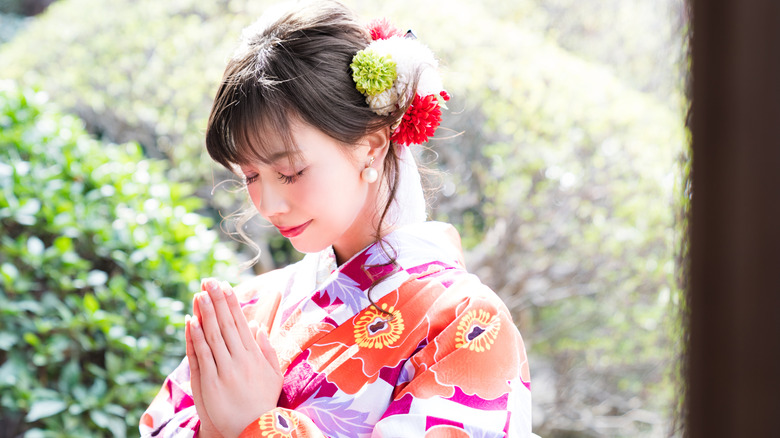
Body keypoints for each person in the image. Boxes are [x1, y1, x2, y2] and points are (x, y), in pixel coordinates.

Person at [139, 1, 532, 436]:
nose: (267, 204)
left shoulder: (467, 322)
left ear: (372, 146)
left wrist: (252, 425)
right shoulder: (251, 308)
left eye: (289, 172)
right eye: (250, 174)